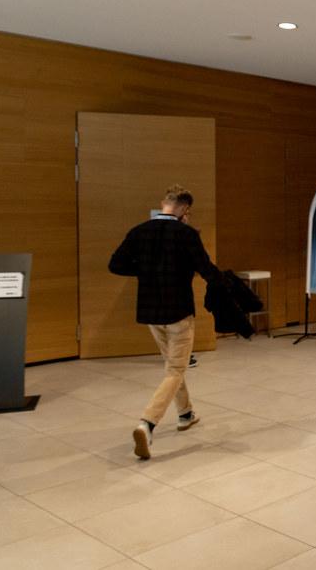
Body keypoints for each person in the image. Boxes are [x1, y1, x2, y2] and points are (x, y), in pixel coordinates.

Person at [108, 185, 222, 459]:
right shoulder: (186, 234)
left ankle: (186, 413)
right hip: (178, 311)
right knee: (175, 370)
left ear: (164, 203)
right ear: (184, 208)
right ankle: (147, 424)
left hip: (151, 313)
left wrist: (146, 270)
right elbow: (207, 270)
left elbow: (116, 264)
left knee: (173, 366)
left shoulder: (139, 231)